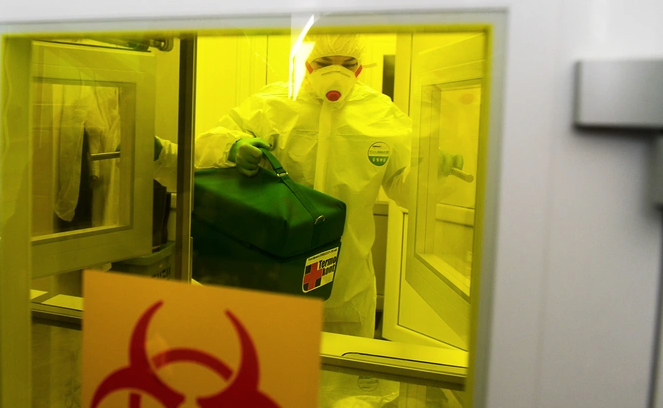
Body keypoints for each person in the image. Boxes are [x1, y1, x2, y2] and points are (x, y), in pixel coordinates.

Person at [154, 34, 463, 338]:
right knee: (274, 359)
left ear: (359, 69)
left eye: (347, 64)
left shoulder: (382, 114)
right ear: (308, 65)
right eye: (325, 63)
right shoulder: (272, 104)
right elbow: (208, 146)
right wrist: (233, 146)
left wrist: (428, 171)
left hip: (347, 286)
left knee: (342, 367)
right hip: (274, 275)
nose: (336, 72)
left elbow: (404, 191)